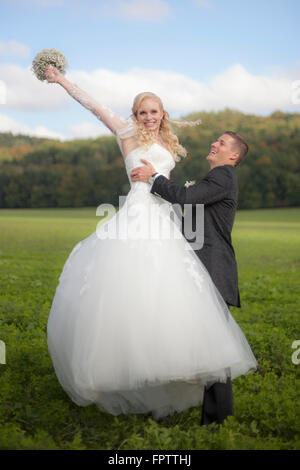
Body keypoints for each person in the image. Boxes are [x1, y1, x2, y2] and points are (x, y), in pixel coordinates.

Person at [44, 66, 257, 421]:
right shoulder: (126, 132)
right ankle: (127, 364)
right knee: (131, 289)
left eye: (153, 111)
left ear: (162, 115)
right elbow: (95, 106)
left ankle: (174, 366)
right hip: (139, 213)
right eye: (142, 111)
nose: (147, 117)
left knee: (172, 293)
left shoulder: (169, 144)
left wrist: (165, 183)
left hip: (167, 219)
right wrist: (61, 79)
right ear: (135, 115)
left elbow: (181, 192)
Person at [130, 131, 249, 424]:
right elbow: (188, 213)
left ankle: (218, 421)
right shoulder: (215, 178)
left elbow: (185, 197)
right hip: (197, 265)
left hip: (212, 267)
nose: (214, 144)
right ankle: (173, 406)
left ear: (233, 155)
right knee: (195, 339)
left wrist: (153, 176)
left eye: (221, 143)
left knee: (216, 346)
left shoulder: (223, 177)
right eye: (216, 140)